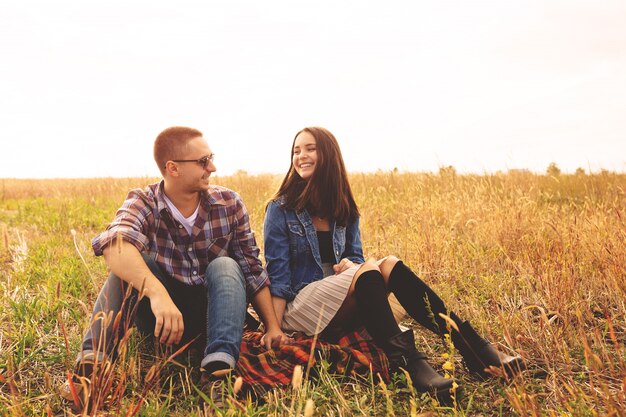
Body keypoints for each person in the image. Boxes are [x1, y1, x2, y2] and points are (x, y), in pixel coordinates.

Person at [263, 127, 525, 405]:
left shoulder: (344, 208)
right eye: (296, 150)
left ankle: (471, 347)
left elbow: (358, 259)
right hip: (302, 309)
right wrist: (274, 328)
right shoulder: (280, 209)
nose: (301, 155)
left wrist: (351, 265)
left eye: (310, 148)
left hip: (342, 306)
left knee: (389, 264)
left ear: (328, 154)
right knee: (375, 267)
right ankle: (410, 364)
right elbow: (278, 276)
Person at [71, 126, 288, 396]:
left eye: (211, 158)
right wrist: (157, 293)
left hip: (214, 318)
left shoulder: (230, 203)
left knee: (226, 265)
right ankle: (91, 368)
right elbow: (115, 246)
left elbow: (252, 269)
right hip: (162, 321)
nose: (213, 167)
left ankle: (218, 373)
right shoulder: (143, 201)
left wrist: (273, 327)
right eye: (203, 161)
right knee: (130, 265)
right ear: (173, 168)